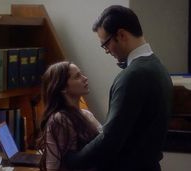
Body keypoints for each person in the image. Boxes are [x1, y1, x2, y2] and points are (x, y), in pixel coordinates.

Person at [64, 5, 173, 171]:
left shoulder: (133, 75)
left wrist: (74, 160)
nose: (107, 51)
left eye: (105, 44)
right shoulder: (158, 67)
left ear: (121, 35)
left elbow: (111, 139)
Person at [37, 61, 102, 171]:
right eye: (77, 76)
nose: (85, 78)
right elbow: (53, 167)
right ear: (62, 87)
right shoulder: (60, 119)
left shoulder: (87, 114)